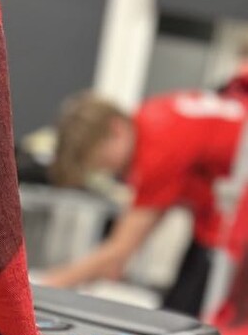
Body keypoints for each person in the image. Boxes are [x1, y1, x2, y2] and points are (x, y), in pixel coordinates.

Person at [43, 79, 248, 316]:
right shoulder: (155, 117)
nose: (108, 172)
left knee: (187, 320)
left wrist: (47, 285)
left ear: (116, 129)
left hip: (233, 231)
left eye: (103, 162)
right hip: (221, 221)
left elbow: (119, 251)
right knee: (180, 310)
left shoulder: (157, 144)